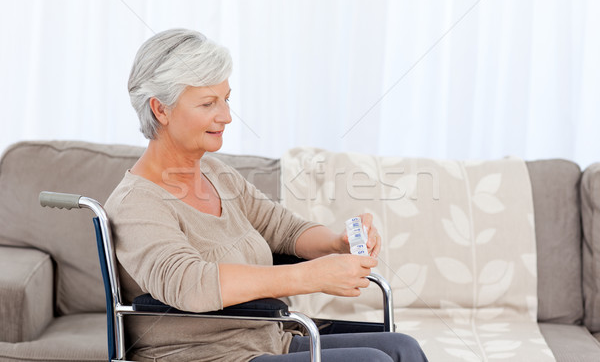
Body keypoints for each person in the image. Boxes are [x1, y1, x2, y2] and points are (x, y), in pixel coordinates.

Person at [105, 28, 428, 362]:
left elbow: (286, 231)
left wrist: (336, 243)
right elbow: (189, 283)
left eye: (226, 99)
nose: (227, 116)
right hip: (206, 356)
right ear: (160, 109)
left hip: (269, 342)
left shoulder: (218, 176)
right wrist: (310, 276)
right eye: (208, 103)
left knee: (403, 347)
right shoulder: (136, 204)